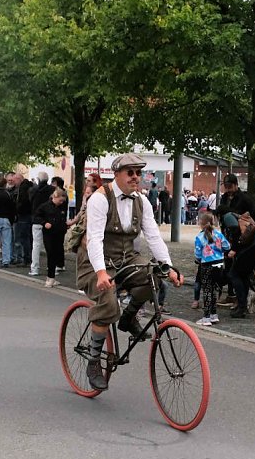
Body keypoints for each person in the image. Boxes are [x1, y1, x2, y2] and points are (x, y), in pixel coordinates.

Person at [76, 153, 181, 391]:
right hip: (96, 262)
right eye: (130, 172)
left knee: (155, 276)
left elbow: (153, 236)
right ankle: (94, 361)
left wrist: (168, 266)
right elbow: (94, 239)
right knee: (108, 303)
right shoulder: (100, 199)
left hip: (126, 259)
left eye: (138, 173)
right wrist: (101, 273)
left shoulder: (141, 201)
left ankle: (129, 317)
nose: (135, 177)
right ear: (117, 174)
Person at [216, 173, 255, 318]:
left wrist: (235, 248)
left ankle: (241, 303)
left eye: (230, 186)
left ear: (236, 185)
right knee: (232, 270)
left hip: (243, 239)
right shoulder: (224, 198)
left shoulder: (244, 199)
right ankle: (235, 298)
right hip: (231, 237)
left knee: (237, 273)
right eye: (226, 186)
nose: (228, 189)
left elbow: (253, 218)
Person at [194, 211, 230, 326]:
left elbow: (197, 254)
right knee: (214, 289)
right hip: (219, 264)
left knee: (207, 290)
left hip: (207, 265)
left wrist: (200, 258)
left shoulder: (200, 237)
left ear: (201, 223)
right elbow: (227, 246)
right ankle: (214, 315)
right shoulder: (219, 234)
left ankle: (206, 317)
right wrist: (220, 251)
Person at [34, 188, 69, 287]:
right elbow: (36, 216)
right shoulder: (45, 206)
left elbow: (62, 218)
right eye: (60, 200)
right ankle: (50, 277)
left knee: (56, 254)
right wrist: (44, 223)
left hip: (59, 233)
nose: (61, 202)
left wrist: (65, 225)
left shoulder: (62, 206)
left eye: (63, 201)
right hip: (49, 233)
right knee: (51, 254)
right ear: (55, 197)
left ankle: (51, 277)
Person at [29, 172, 54, 276]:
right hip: (49, 221)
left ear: (38, 179)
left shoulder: (34, 190)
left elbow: (30, 202)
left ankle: (34, 268)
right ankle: (51, 267)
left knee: (36, 245)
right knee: (50, 245)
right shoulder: (52, 190)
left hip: (37, 220)